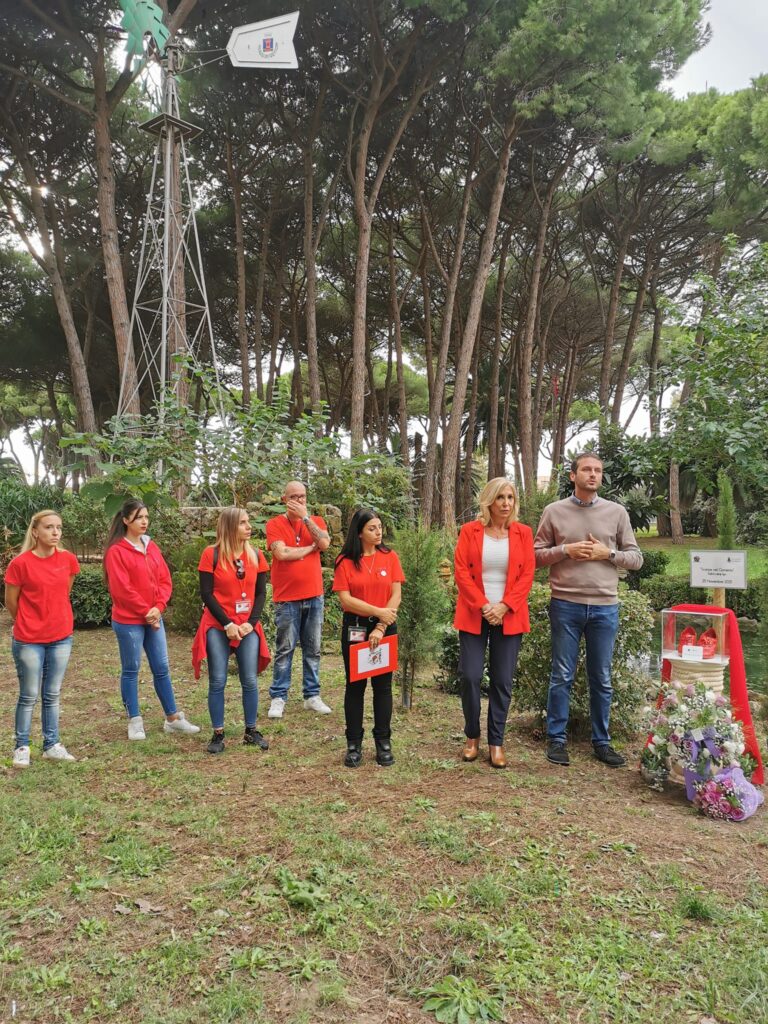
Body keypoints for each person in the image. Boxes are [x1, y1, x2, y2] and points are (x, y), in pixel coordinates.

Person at [534, 452, 643, 768]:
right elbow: (535, 556)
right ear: (573, 475)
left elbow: (636, 559)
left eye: (597, 470)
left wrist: (607, 553)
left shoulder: (616, 512)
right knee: (561, 675)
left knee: (602, 678)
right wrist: (565, 550)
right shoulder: (554, 511)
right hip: (565, 604)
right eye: (586, 469)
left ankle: (602, 743)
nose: (593, 474)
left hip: (605, 607)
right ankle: (557, 740)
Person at [453, 478, 535, 769]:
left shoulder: (523, 533)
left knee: (502, 680)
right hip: (475, 612)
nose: (506, 503)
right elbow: (461, 571)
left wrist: (504, 606)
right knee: (470, 676)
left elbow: (527, 575)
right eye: (500, 497)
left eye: (510, 497)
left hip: (509, 614)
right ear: (489, 501)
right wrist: (485, 605)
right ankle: (472, 736)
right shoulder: (470, 531)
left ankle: (496, 742)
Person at [104, 499, 200, 741]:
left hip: (154, 617)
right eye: (139, 517)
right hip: (129, 621)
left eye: (146, 517)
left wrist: (158, 608)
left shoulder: (151, 545)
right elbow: (121, 589)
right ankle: (135, 721)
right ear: (126, 520)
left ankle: (172, 719)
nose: (144, 521)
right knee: (131, 669)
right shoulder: (116, 551)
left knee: (162, 668)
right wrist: (147, 611)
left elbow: (165, 579)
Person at [192, 507, 271, 755]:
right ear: (229, 527)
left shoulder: (256, 555)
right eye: (243, 523)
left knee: (249, 679)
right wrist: (227, 624)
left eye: (249, 522)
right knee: (218, 679)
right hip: (218, 625)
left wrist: (251, 622)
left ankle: (251, 731)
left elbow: (261, 593)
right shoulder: (211, 554)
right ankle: (218, 733)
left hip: (247, 625)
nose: (249, 527)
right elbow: (207, 594)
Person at [5, 510, 79, 767]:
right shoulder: (20, 564)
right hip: (29, 639)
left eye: (59, 527)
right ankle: (22, 746)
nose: (55, 532)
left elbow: (63, 593)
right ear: (35, 531)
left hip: (61, 636)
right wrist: (29, 621)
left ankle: (52, 745)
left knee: (52, 693)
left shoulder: (68, 560)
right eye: (49, 527)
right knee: (28, 695)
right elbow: (11, 602)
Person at [332, 509, 405, 768]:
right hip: (356, 627)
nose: (378, 532)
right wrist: (377, 612)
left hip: (385, 627)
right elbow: (346, 599)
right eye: (372, 528)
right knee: (355, 686)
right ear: (360, 532)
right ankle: (354, 744)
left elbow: (396, 595)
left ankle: (383, 742)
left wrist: (381, 625)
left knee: (383, 687)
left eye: (380, 527)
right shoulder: (345, 561)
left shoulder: (390, 557)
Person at [265, 480, 332, 719]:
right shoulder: (274, 524)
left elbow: (324, 543)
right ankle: (278, 697)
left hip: (314, 596)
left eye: (302, 496)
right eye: (293, 497)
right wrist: (309, 549)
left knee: (313, 649)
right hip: (286, 598)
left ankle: (312, 695)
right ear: (284, 499)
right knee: (285, 649)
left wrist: (305, 518)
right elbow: (282, 553)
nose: (299, 500)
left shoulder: (316, 521)